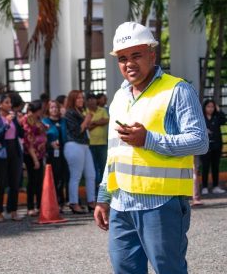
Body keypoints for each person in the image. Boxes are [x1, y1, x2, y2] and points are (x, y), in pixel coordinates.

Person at [94, 22, 208, 274]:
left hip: (161, 204)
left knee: (169, 270)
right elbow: (114, 152)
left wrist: (149, 140)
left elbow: (200, 141)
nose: (129, 63)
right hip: (121, 205)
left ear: (152, 54)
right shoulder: (119, 97)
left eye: (136, 55)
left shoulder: (178, 90)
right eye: (122, 58)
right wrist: (104, 197)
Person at [0, 93, 24, 222]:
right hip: (1, 151)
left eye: (10, 103)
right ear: (0, 104)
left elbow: (21, 134)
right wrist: (7, 123)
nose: (10, 105)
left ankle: (13, 210)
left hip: (14, 149)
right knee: (1, 183)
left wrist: (19, 123)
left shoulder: (13, 117)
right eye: (7, 102)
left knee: (14, 183)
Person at [64, 90, 96, 214]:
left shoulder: (79, 112)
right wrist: (87, 120)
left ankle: (91, 201)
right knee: (76, 176)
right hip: (74, 145)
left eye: (82, 98)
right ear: (72, 100)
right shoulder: (69, 113)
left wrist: (87, 120)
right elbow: (77, 131)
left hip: (84, 145)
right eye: (78, 98)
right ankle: (74, 203)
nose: (81, 100)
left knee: (91, 174)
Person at [22, 100, 47, 216]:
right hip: (31, 155)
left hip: (40, 153)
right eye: (40, 110)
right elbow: (28, 141)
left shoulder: (38, 120)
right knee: (32, 181)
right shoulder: (27, 120)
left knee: (39, 181)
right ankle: (30, 206)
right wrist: (35, 160)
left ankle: (39, 205)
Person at [42, 100, 68, 210]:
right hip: (51, 153)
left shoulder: (63, 121)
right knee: (55, 177)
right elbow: (42, 137)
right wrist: (50, 143)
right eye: (52, 107)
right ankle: (56, 201)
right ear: (48, 109)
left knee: (64, 176)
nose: (54, 109)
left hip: (64, 151)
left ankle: (63, 201)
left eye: (56, 107)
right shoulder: (45, 121)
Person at [201, 99, 226, 195]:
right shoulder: (201, 117)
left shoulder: (217, 116)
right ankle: (204, 187)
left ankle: (215, 186)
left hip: (216, 145)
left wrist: (219, 110)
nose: (210, 109)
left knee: (215, 166)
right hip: (205, 146)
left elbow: (224, 121)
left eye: (212, 106)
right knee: (205, 167)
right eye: (208, 106)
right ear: (205, 107)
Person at [85, 93, 109, 195]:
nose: (92, 101)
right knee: (93, 169)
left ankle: (104, 191)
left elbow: (106, 120)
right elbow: (87, 126)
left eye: (93, 99)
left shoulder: (102, 110)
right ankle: (95, 191)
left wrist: (93, 122)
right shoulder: (85, 112)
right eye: (89, 99)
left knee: (104, 168)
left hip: (102, 144)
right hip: (90, 145)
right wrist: (99, 122)